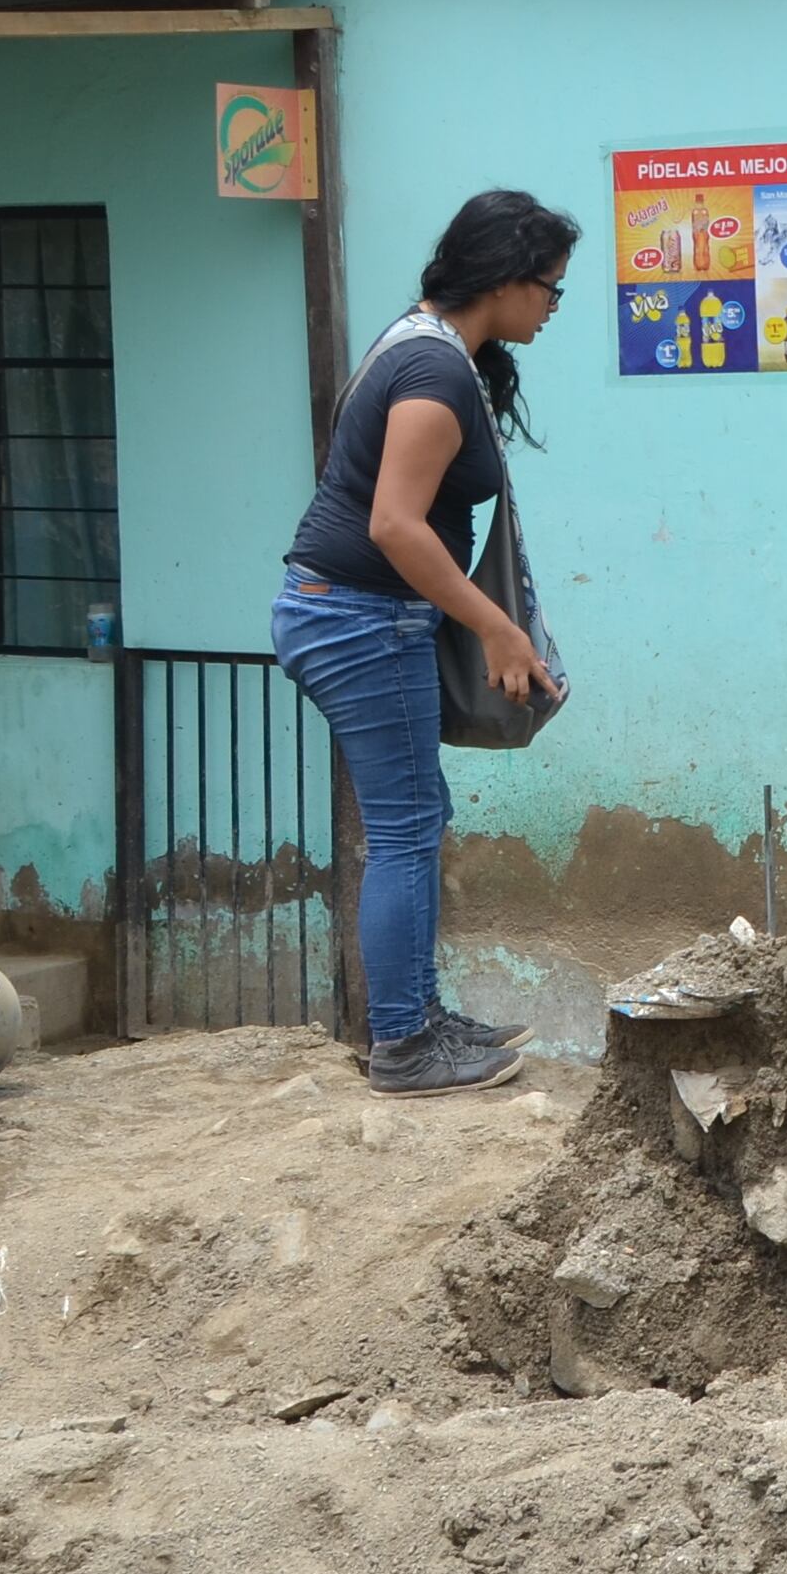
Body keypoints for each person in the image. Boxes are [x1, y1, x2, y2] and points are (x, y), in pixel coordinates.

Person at [274, 188, 578, 1094]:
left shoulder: (435, 352)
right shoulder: (435, 373)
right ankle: (405, 1045)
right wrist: (496, 628)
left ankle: (421, 1017)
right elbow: (396, 526)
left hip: (363, 613)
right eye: (551, 290)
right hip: (356, 616)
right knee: (406, 829)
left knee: (416, 820)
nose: (553, 308)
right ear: (506, 281)